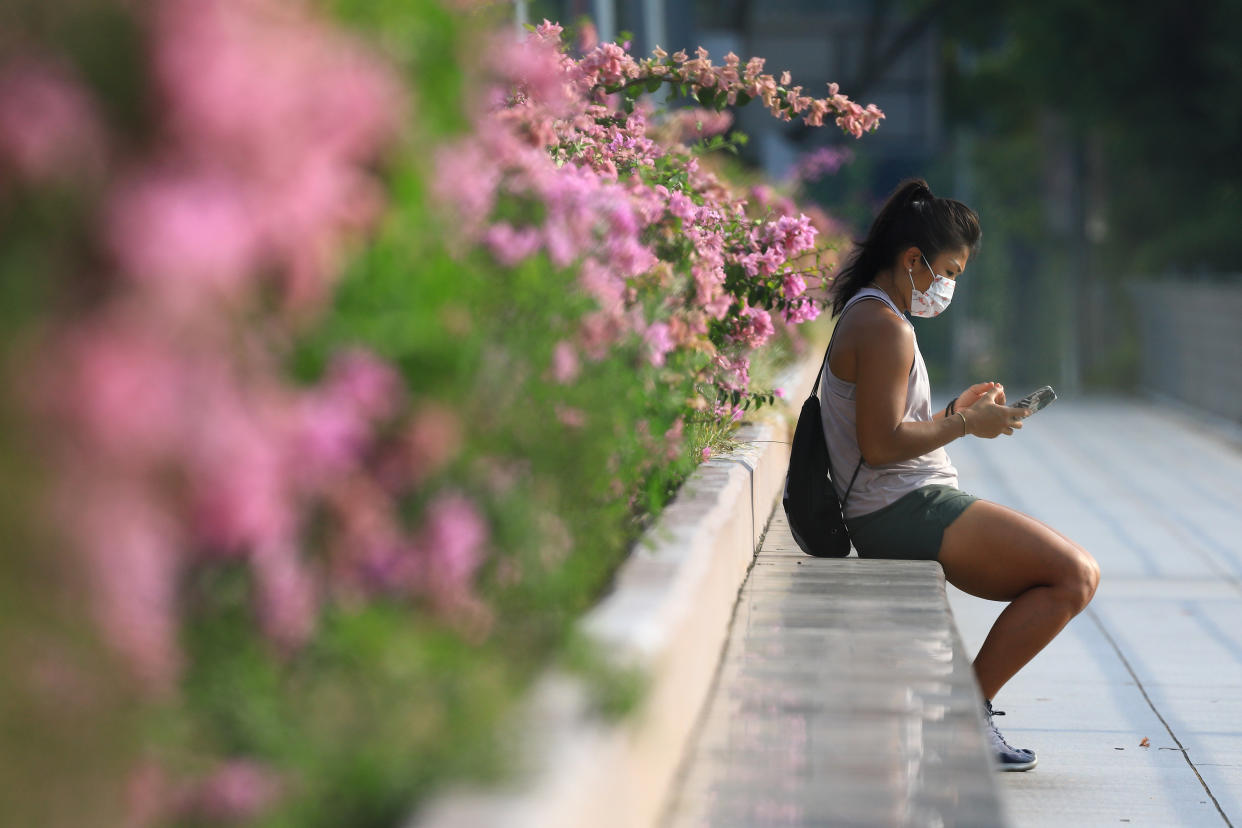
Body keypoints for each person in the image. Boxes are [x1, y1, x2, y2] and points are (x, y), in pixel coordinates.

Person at [820, 178, 1100, 772]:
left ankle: (964, 714)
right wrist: (969, 425)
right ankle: (964, 717)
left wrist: (952, 414)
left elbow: (889, 429)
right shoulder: (884, 326)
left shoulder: (878, 316)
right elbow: (879, 444)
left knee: (1073, 575)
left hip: (902, 499)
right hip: (898, 507)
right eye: (946, 271)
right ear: (912, 260)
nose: (946, 286)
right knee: (1073, 576)